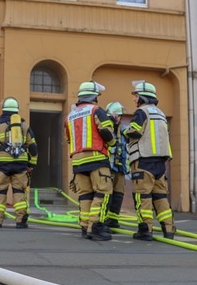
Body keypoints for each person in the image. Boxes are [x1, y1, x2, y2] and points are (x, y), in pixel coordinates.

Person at [124, 81, 175, 241]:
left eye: (136, 96)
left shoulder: (141, 112)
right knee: (160, 197)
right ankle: (168, 228)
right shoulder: (160, 113)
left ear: (143, 97)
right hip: (160, 163)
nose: (134, 100)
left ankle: (145, 230)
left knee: (143, 197)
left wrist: (124, 131)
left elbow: (134, 132)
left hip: (143, 161)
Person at [65, 82, 116, 240]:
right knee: (103, 192)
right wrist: (113, 144)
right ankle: (96, 227)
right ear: (94, 97)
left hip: (78, 162)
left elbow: (68, 139)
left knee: (85, 195)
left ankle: (85, 227)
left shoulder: (70, 115)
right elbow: (106, 131)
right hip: (97, 158)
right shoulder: (96, 110)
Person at [0, 97, 38, 229]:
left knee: (1, 192)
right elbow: (33, 147)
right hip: (21, 164)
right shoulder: (25, 125)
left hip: (2, 164)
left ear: (3, 110)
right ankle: (21, 221)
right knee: (19, 192)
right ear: (17, 110)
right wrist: (32, 164)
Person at [103, 101, 129, 230]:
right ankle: (105, 219)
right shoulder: (107, 128)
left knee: (118, 193)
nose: (119, 118)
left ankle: (113, 219)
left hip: (120, 167)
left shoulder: (123, 131)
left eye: (119, 116)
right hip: (109, 167)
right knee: (108, 194)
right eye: (117, 115)